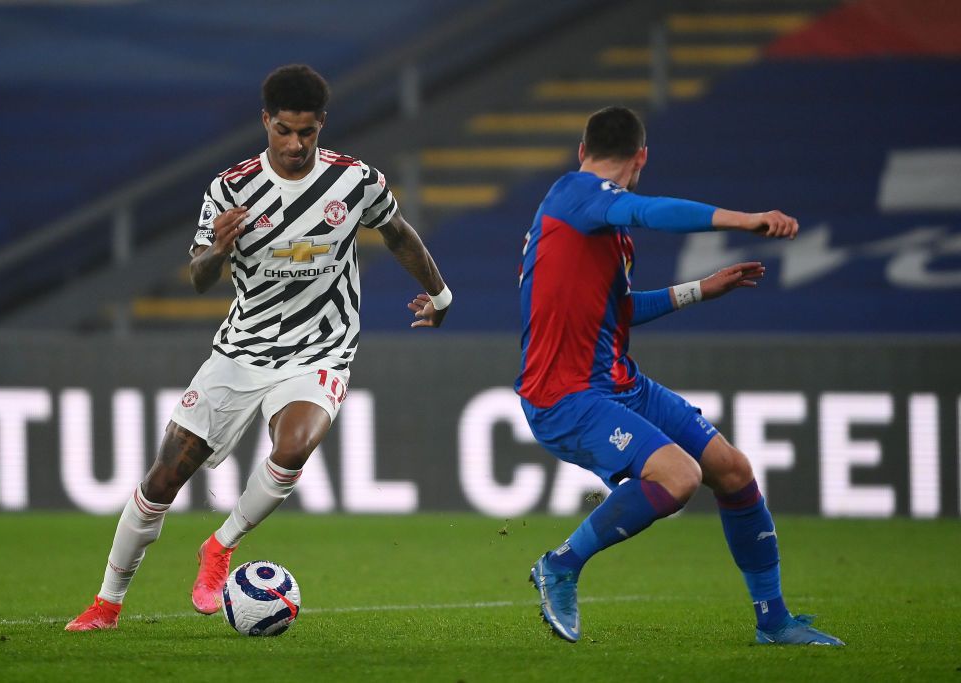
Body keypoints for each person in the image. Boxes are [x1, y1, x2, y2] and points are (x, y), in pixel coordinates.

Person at [66, 64, 451, 631]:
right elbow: (198, 277)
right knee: (162, 480)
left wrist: (438, 293)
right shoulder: (229, 189)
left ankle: (220, 546)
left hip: (323, 347)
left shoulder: (355, 180)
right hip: (241, 350)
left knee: (293, 447)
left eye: (308, 133)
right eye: (284, 131)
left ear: (321, 126)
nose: (296, 145)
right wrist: (216, 251)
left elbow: (396, 231)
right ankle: (107, 603)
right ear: (265, 121)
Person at [518, 106, 843, 646]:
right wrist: (746, 220)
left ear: (583, 148)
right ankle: (561, 565)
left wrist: (699, 289)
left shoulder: (600, 228)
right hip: (563, 394)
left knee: (733, 472)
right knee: (680, 477)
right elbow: (652, 211)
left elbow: (619, 312)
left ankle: (774, 622)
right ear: (642, 157)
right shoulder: (572, 195)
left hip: (620, 383)